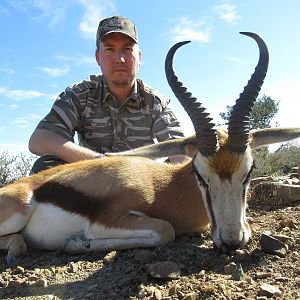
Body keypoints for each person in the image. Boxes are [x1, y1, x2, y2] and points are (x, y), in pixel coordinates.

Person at [29, 16, 184, 173]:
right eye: (110, 49)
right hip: (92, 184)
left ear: (139, 57)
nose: (120, 59)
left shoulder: (155, 102)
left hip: (140, 187)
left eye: (127, 49)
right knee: (45, 166)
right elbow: (39, 139)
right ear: (98, 57)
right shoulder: (80, 95)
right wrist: (101, 164)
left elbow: (182, 154)